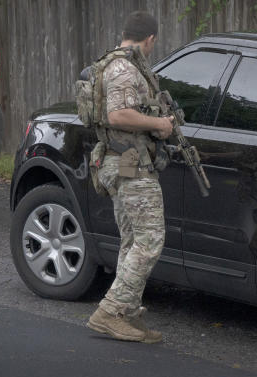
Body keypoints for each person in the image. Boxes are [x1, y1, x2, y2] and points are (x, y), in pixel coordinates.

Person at [85, 11, 173, 343]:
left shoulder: (117, 63)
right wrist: (159, 125)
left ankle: (126, 313)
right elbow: (118, 114)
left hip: (125, 160)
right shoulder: (123, 68)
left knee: (131, 239)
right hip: (131, 162)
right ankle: (110, 311)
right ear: (149, 39)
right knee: (150, 241)